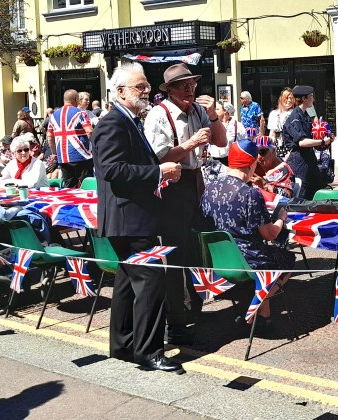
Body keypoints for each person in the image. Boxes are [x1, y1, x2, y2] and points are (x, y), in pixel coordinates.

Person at [92, 62, 184, 373]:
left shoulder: (128, 120)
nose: (147, 91)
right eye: (140, 86)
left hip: (131, 217)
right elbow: (112, 170)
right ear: (120, 92)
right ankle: (149, 353)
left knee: (127, 283)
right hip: (129, 218)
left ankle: (123, 345)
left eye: (146, 86)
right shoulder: (113, 123)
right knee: (150, 280)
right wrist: (158, 171)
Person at [144, 62, 225, 345]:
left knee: (195, 249)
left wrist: (213, 116)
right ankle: (175, 321)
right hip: (172, 187)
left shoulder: (199, 111)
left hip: (195, 181)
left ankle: (193, 308)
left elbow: (221, 141)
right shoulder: (158, 114)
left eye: (192, 84)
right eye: (183, 86)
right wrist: (190, 144)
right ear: (170, 90)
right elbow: (158, 159)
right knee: (175, 254)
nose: (190, 89)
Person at [200, 139, 294, 327]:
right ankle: (256, 308)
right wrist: (281, 219)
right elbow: (270, 235)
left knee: (266, 258)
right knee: (287, 259)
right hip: (250, 260)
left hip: (218, 261)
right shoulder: (249, 194)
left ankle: (261, 313)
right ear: (251, 164)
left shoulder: (209, 189)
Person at [283, 85, 333, 199]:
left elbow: (312, 136)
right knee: (302, 193)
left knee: (316, 188)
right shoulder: (295, 116)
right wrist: (322, 141)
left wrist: (326, 136)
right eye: (311, 96)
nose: (313, 99)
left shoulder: (304, 114)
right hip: (299, 160)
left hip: (309, 158)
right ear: (304, 98)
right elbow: (302, 142)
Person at [47, 89, 95, 188]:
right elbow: (89, 131)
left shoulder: (53, 116)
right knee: (87, 187)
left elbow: (49, 136)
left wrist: (54, 153)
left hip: (63, 157)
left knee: (69, 188)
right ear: (76, 99)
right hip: (82, 156)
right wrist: (94, 148)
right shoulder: (81, 113)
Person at [266, 87, 294, 155]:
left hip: (291, 147)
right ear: (281, 98)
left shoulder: (294, 113)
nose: (289, 100)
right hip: (277, 147)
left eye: (291, 98)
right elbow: (272, 134)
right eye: (287, 98)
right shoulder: (273, 114)